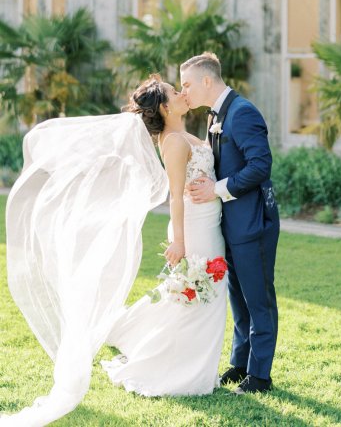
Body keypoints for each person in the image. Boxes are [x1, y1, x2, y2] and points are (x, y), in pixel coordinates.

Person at [101, 74, 227, 396]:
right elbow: (175, 195)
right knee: (197, 296)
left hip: (208, 222)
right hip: (194, 228)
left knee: (200, 296)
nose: (182, 92)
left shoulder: (184, 135)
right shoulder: (172, 142)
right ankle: (183, 371)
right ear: (165, 107)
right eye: (175, 91)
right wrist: (180, 242)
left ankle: (193, 366)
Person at [180, 52, 280, 395]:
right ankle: (240, 364)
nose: (184, 91)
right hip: (230, 225)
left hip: (253, 223)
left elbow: (259, 166)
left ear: (207, 81)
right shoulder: (215, 116)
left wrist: (216, 190)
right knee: (238, 299)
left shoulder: (243, 112)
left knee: (258, 299)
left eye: (187, 84)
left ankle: (260, 376)